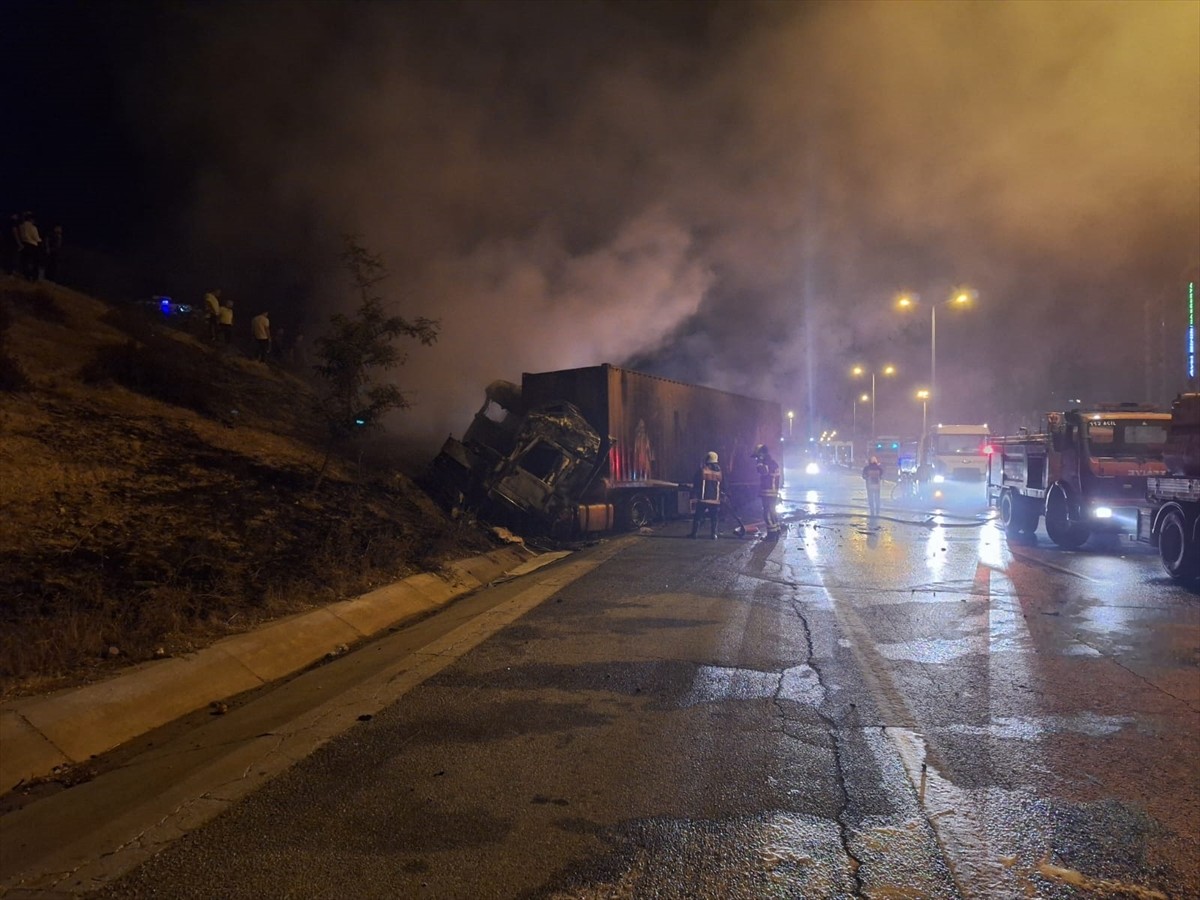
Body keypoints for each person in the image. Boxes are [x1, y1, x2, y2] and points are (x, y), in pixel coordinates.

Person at [688, 451, 722, 539]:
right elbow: (724, 485)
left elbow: (696, 482)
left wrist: (694, 493)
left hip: (703, 499)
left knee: (698, 517)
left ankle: (694, 534)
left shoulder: (702, 470)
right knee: (714, 518)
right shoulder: (720, 472)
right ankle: (714, 534)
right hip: (715, 499)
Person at [752, 443, 782, 539]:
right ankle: (776, 530)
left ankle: (771, 534)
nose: (756, 459)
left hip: (768, 491)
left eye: (758, 457)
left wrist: (759, 462)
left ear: (761, 454)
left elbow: (763, 471)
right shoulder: (773, 462)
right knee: (772, 511)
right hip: (773, 491)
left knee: (767, 513)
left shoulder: (767, 463)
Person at [17, 211, 41, 281]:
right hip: (32, 245)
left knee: (25, 261)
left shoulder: (21, 226)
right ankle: (34, 277)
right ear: (31, 219)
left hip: (24, 244)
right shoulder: (33, 227)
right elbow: (36, 237)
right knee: (34, 262)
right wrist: (40, 240)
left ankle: (26, 275)